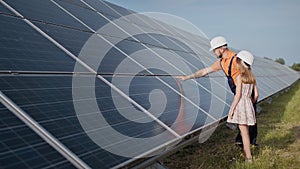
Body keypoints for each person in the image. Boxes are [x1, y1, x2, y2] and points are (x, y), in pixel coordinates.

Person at [176, 36, 259, 147]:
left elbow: (249, 75)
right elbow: (205, 71)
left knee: (249, 123)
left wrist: (253, 96)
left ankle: (249, 145)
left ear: (221, 49)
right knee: (244, 123)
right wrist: (187, 77)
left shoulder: (237, 60)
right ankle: (245, 144)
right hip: (237, 92)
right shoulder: (222, 63)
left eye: (214, 50)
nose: (214, 53)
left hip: (245, 93)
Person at [227, 50, 258, 162]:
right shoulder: (252, 78)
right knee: (247, 133)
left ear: (240, 63)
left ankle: (249, 158)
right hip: (248, 104)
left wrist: (232, 110)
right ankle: (247, 155)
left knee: (244, 133)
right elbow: (256, 95)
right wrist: (251, 102)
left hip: (241, 105)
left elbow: (237, 95)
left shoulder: (239, 77)